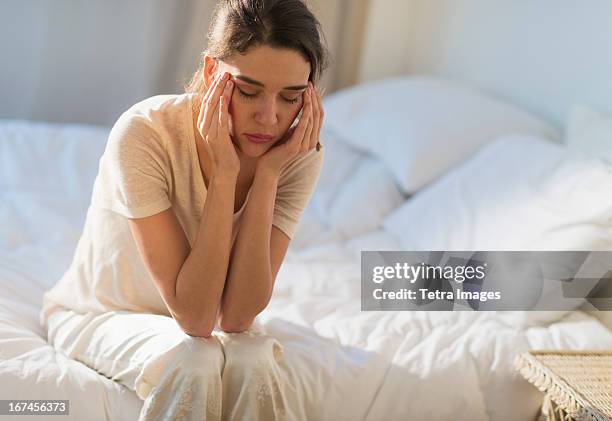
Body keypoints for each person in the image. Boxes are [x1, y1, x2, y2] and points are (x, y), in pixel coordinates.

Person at [39, 0, 329, 419]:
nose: (269, 117)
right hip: (100, 314)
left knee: (253, 360)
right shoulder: (144, 134)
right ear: (212, 73)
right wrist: (225, 173)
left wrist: (267, 178)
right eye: (248, 91)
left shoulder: (297, 155)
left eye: (290, 97)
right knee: (194, 357)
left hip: (203, 326)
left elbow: (236, 317)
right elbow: (196, 320)